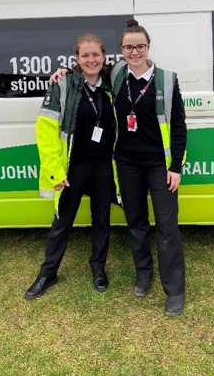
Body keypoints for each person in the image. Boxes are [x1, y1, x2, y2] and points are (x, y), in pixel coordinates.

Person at [50, 20, 187, 316]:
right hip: (126, 163)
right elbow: (86, 73)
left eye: (140, 46)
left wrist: (176, 166)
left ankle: (174, 290)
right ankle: (143, 274)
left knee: (166, 228)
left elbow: (178, 126)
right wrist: (63, 73)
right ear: (121, 50)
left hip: (158, 165)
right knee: (135, 224)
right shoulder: (117, 74)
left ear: (148, 47)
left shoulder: (167, 79)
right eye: (128, 47)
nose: (134, 51)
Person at [25, 33, 115, 299]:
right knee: (62, 221)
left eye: (95, 54)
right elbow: (45, 131)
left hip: (102, 166)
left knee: (101, 219)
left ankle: (98, 268)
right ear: (76, 58)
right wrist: (55, 171)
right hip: (72, 167)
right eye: (85, 55)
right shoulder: (63, 84)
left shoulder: (112, 84)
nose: (91, 60)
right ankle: (47, 274)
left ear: (104, 57)